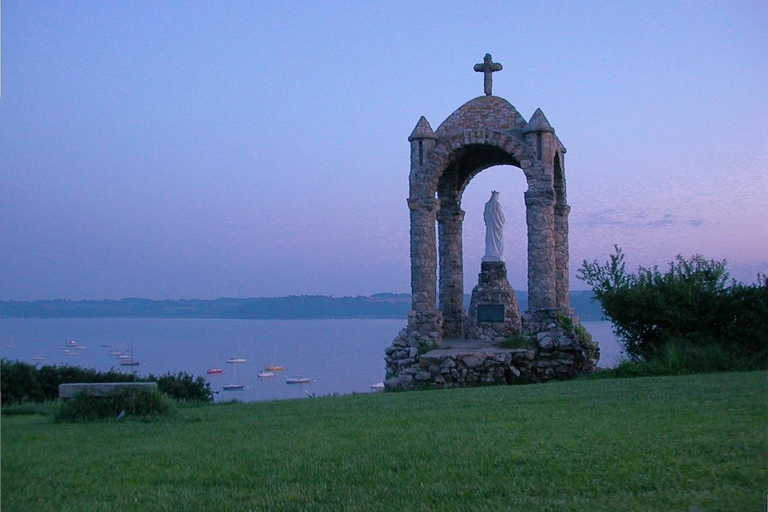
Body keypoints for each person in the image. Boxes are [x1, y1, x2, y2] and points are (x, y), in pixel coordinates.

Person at [482, 190, 505, 262]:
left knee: (490, 239)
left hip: (490, 226)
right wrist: (500, 223)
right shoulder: (497, 205)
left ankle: (491, 252)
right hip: (497, 227)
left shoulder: (487, 205)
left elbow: (485, 216)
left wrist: (488, 222)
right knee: (497, 240)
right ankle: (495, 253)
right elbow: (502, 217)